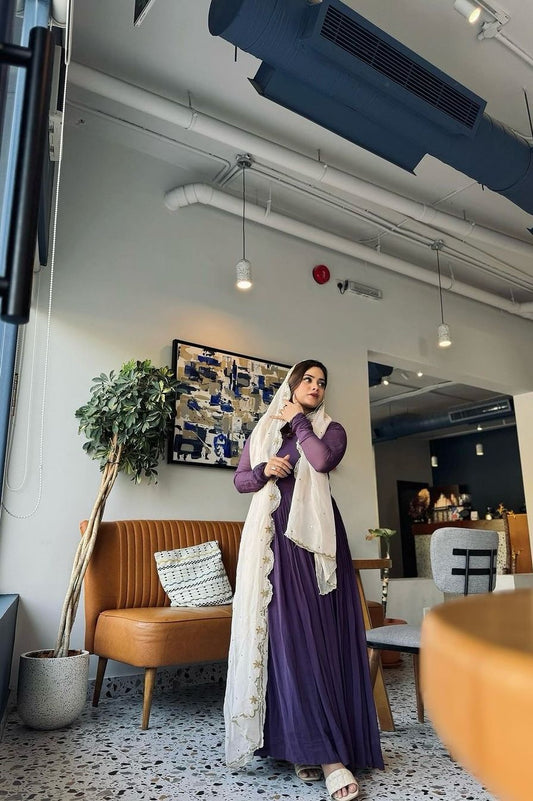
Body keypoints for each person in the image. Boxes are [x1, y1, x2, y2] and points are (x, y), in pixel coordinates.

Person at [224, 360, 383, 801]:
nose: (316, 386)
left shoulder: (331, 430)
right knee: (286, 644)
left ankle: (332, 755)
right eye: (308, 380)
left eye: (321, 382)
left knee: (320, 641)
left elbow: (320, 459)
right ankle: (300, 747)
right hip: (272, 547)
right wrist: (264, 471)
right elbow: (240, 480)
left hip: (314, 545)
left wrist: (296, 418)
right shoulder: (264, 431)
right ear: (292, 385)